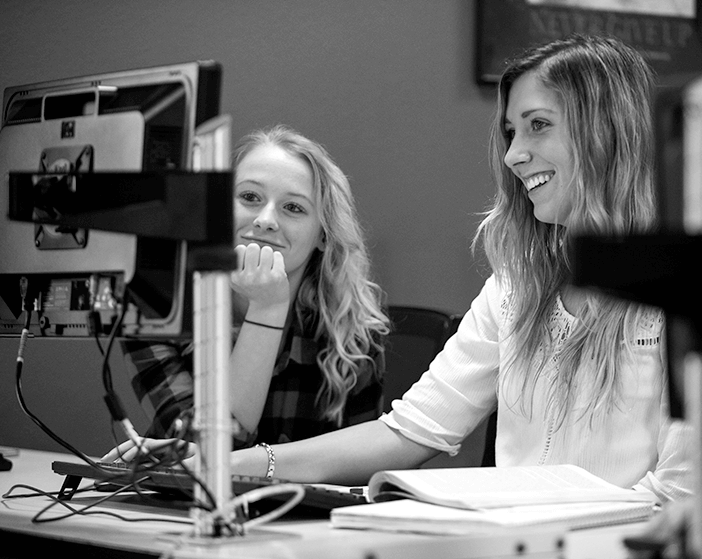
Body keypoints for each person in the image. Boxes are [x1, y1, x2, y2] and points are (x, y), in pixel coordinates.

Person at [106, 35, 693, 506]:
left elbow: (676, 496)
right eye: (511, 132)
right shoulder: (515, 285)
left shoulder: (683, 288)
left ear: (608, 133)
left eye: (538, 125)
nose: (514, 155)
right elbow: (411, 430)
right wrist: (227, 465)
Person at [117, 124, 390, 451]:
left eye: (293, 207)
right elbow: (215, 447)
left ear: (323, 234)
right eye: (249, 197)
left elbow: (361, 462)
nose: (266, 219)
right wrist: (267, 309)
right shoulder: (156, 307)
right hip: (189, 504)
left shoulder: (354, 329)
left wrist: (268, 307)